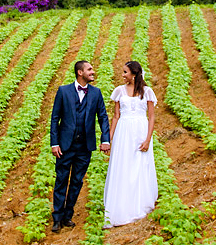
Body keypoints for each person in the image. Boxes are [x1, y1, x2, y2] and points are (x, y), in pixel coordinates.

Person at [50, 59, 111, 232]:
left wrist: (105, 140)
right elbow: (55, 118)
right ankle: (57, 217)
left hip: (85, 147)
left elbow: (103, 117)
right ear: (80, 72)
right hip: (65, 146)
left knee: (77, 181)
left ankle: (68, 215)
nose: (93, 71)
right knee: (61, 180)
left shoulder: (96, 93)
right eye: (89, 69)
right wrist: (54, 143)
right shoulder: (63, 91)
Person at [102, 60, 158, 227]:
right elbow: (116, 116)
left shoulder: (147, 92)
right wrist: (109, 139)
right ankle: (122, 205)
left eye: (125, 72)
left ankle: (140, 203)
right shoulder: (119, 91)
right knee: (123, 165)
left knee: (140, 165)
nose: (122, 75)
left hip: (141, 131)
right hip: (124, 132)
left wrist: (148, 139)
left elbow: (152, 116)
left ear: (134, 74)